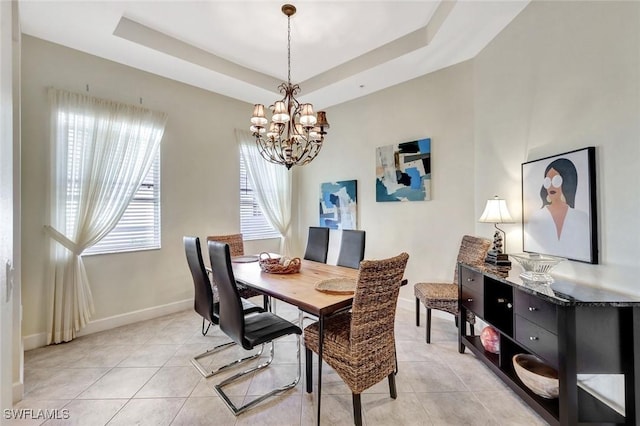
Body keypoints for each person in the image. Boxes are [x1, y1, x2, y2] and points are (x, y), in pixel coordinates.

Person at [526, 158, 591, 261]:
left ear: (567, 181)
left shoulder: (581, 217)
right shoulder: (536, 217)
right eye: (547, 181)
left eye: (556, 180)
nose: (551, 186)